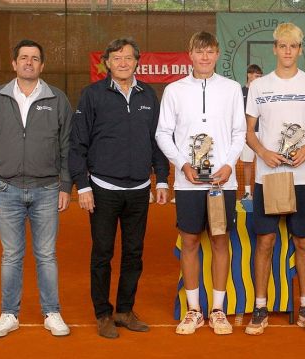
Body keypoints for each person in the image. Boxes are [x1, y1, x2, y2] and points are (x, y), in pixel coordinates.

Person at [68, 38, 169, 339]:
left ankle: (124, 310)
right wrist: (82, 186)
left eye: (128, 57)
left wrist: (161, 178)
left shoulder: (149, 94)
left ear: (138, 61)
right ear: (108, 63)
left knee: (133, 253)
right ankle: (103, 314)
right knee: (102, 253)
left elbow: (157, 141)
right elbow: (77, 145)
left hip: (139, 189)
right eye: (117, 57)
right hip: (102, 189)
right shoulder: (91, 95)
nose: (123, 62)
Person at [0, 39, 72, 338]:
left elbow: (67, 145)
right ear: (14, 64)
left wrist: (66, 184)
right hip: (6, 189)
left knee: (46, 255)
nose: (29, 62)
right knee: (11, 255)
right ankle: (9, 314)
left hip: (48, 189)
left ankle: (52, 312)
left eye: (35, 58)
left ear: (42, 65)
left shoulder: (57, 99)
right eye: (23, 58)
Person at [244, 22, 305, 335]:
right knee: (265, 241)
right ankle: (259, 307)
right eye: (282, 46)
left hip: (304, 178)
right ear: (274, 48)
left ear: (299, 49)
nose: (287, 51)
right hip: (270, 176)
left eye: (292, 46)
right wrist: (263, 153)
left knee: (303, 242)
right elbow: (249, 131)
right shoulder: (259, 87)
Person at [155, 31, 246, 336]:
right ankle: (194, 310)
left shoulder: (232, 89)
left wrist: (227, 165)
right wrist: (181, 164)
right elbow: (162, 133)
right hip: (187, 183)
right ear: (190, 54)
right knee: (190, 242)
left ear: (217, 54)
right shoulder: (174, 91)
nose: (205, 57)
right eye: (199, 51)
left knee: (220, 241)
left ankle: (218, 310)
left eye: (210, 52)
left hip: (222, 182)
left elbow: (239, 132)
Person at [240, 64, 263, 200]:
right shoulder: (240, 91)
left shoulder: (263, 92)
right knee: (248, 162)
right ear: (249, 75)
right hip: (247, 133)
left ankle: (261, 191)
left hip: (262, 132)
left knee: (263, 162)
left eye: (260, 76)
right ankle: (248, 192)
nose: (258, 78)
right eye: (256, 76)